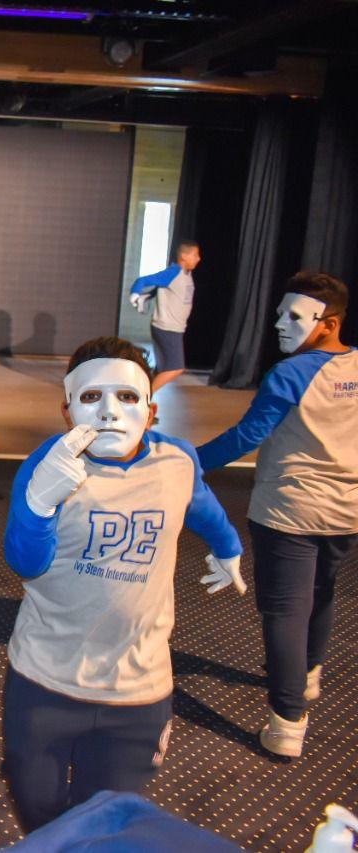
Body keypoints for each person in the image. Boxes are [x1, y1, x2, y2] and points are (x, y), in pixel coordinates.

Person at [1, 336, 244, 832]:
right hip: (44, 680)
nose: (110, 411)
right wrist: (39, 504)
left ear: (151, 411)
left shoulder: (176, 462)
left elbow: (201, 504)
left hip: (137, 692)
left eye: (127, 397)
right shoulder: (50, 466)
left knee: (107, 824)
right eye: (92, 398)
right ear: (67, 411)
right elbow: (25, 562)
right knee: (37, 813)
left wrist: (228, 547)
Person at [196, 272, 357, 758]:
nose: (278, 324)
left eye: (293, 316)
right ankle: (306, 678)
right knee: (321, 591)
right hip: (346, 512)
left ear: (327, 324)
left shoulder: (291, 373)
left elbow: (247, 436)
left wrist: (186, 461)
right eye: (278, 313)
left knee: (285, 610)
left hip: (290, 510)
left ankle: (288, 722)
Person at [129, 239, 201, 393]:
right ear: (183, 256)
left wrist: (147, 296)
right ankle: (143, 397)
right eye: (195, 255)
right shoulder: (173, 272)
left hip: (174, 328)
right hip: (167, 328)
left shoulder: (185, 274)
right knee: (175, 368)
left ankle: (138, 395)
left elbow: (164, 289)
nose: (198, 258)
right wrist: (135, 293)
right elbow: (143, 280)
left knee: (162, 369)